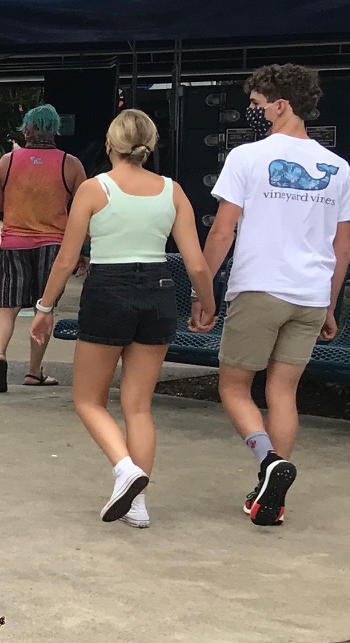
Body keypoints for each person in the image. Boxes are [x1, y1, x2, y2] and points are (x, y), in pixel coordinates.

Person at [29, 110, 216, 528]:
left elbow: (65, 260)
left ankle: (123, 468)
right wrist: (207, 302)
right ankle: (138, 505)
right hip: (160, 289)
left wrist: (44, 308)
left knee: (88, 399)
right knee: (138, 406)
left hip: (108, 288)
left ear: (110, 145)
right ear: (149, 147)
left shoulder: (95, 189)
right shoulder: (173, 191)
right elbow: (197, 263)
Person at [201, 63, 350, 527]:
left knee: (233, 386)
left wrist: (204, 291)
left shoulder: (247, 158)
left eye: (255, 104)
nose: (252, 111)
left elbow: (223, 230)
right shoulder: (338, 167)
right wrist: (330, 304)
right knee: (283, 391)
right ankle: (272, 496)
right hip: (310, 295)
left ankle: (269, 463)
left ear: (280, 105)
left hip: (259, 287)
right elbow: (342, 245)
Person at [0, 105, 85, 393]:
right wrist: (84, 250)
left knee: (7, 306)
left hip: (13, 243)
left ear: (26, 130)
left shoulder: (7, 162)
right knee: (45, 306)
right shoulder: (71, 164)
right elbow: (84, 214)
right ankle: (33, 371)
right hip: (54, 246)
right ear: (55, 130)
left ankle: (0, 355)